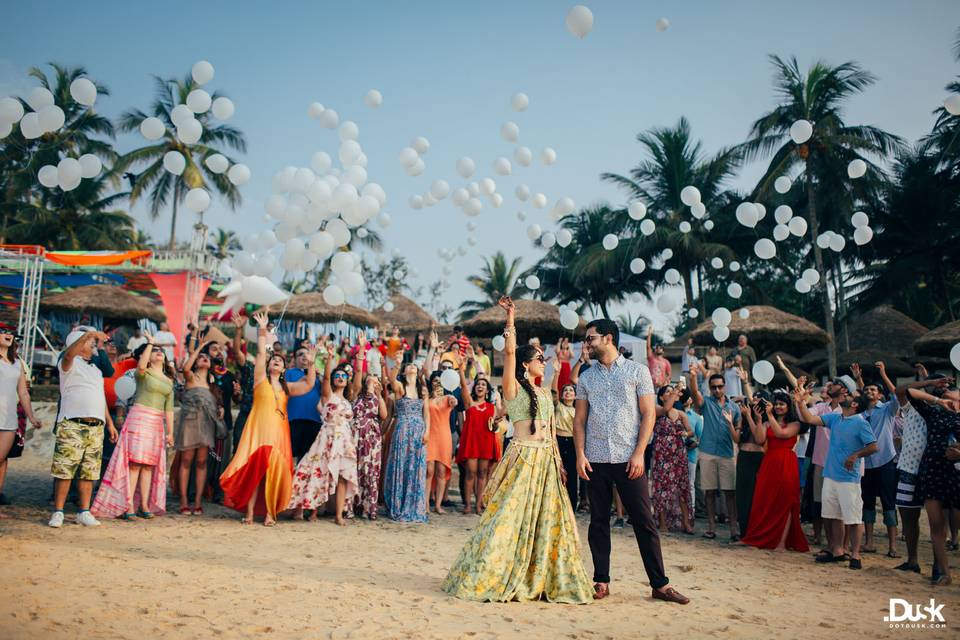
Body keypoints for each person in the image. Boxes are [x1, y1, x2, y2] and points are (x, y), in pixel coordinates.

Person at [442, 296, 593, 603]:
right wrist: (511, 319)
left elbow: (551, 431)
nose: (544, 361)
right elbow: (509, 351)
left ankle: (536, 576)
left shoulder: (545, 392)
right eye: (540, 358)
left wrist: (559, 463)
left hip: (547, 462)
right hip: (523, 458)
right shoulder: (514, 388)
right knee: (508, 517)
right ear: (526, 364)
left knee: (549, 520)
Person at [575, 318, 688, 604]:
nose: (586, 343)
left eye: (591, 338)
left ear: (608, 338)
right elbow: (579, 421)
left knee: (644, 521)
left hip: (629, 458)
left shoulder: (638, 371)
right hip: (595, 458)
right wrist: (579, 455)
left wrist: (639, 453)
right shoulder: (586, 377)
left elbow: (649, 414)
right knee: (598, 521)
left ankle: (660, 584)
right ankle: (601, 580)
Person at [219, 310, 316, 526]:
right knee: (255, 472)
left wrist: (311, 364)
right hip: (259, 431)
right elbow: (262, 354)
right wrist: (262, 330)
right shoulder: (260, 380)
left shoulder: (287, 387)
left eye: (280, 362)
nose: (277, 362)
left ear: (284, 369)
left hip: (278, 434)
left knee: (273, 471)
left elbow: (309, 385)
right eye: (274, 360)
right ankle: (251, 513)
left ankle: (271, 513)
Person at [93, 336, 175, 520]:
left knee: (148, 466)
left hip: (156, 423)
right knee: (135, 463)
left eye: (160, 350)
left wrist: (170, 432)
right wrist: (151, 343)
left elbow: (169, 409)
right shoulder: (142, 373)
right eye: (154, 351)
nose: (158, 352)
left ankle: (144, 506)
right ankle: (128, 506)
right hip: (139, 418)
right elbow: (140, 366)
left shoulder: (169, 381)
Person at [795, 389, 877, 570]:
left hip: (849, 478)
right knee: (833, 516)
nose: (844, 396)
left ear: (855, 404)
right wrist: (801, 402)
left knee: (854, 518)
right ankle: (837, 550)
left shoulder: (861, 423)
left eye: (849, 396)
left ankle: (855, 554)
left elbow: (873, 446)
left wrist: (855, 455)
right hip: (830, 474)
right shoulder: (835, 417)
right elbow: (809, 419)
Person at [49, 328, 118, 527]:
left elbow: (100, 396)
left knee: (90, 471)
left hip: (96, 425)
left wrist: (110, 423)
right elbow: (70, 353)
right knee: (65, 470)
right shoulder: (68, 363)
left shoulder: (95, 368)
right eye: (89, 343)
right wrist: (88, 334)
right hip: (72, 422)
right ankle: (59, 511)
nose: (92, 345)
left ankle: (84, 511)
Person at [288, 340, 356, 525]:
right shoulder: (327, 395)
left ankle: (339, 515)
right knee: (319, 471)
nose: (340, 377)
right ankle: (313, 512)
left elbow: (356, 384)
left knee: (342, 475)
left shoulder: (349, 400)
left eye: (344, 375)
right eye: (337, 375)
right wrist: (329, 359)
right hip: (327, 437)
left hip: (344, 440)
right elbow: (326, 378)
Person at [892, 371, 948, 573]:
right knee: (908, 515)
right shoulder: (913, 407)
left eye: (943, 385)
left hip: (934, 469)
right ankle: (912, 560)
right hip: (908, 467)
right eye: (937, 383)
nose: (941, 387)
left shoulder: (948, 409)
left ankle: (938, 563)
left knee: (937, 520)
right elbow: (901, 390)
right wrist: (930, 382)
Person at [905, 382, 960, 585]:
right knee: (936, 526)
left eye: (953, 394)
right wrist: (938, 400)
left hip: (956, 473)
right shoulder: (935, 414)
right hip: (933, 471)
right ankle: (944, 573)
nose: (950, 400)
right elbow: (910, 391)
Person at [741, 392, 809, 552]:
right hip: (769, 462)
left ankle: (781, 543)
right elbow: (759, 440)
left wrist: (769, 415)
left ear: (788, 406)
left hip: (786, 462)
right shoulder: (766, 422)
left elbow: (782, 433)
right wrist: (758, 419)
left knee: (786, 501)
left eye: (781, 404)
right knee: (764, 500)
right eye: (776, 404)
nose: (778, 407)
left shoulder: (796, 424)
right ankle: (757, 536)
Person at [688, 361, 744, 541]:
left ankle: (733, 529)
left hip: (727, 453)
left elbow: (738, 434)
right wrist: (694, 376)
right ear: (710, 388)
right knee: (709, 492)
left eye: (720, 386)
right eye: (714, 387)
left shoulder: (734, 408)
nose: (717, 390)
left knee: (730, 493)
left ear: (725, 386)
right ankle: (711, 528)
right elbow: (695, 394)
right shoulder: (707, 403)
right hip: (707, 452)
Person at [850, 362, 900, 558]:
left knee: (889, 504)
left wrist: (884, 374)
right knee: (867, 504)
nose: (870, 392)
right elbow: (862, 394)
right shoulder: (860, 413)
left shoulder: (888, 409)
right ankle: (869, 542)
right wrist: (858, 379)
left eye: (874, 390)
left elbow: (896, 394)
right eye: (867, 389)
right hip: (866, 464)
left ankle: (893, 546)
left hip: (886, 461)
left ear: (880, 395)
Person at [173, 340, 224, 515]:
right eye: (200, 357)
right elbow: (186, 368)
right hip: (189, 424)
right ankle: (184, 502)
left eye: (206, 358)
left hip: (206, 426)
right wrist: (199, 348)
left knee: (202, 462)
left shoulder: (212, 384)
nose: (204, 359)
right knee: (186, 461)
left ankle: (197, 502)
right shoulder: (191, 378)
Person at [383, 357, 431, 522]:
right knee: (401, 464)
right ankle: (397, 504)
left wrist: (427, 431)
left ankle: (414, 506)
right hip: (402, 429)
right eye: (408, 366)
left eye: (414, 366)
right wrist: (396, 364)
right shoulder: (400, 388)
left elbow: (427, 413)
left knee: (415, 467)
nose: (412, 367)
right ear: (404, 372)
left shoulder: (423, 390)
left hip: (418, 429)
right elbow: (391, 378)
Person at [455, 348, 501, 515]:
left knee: (482, 473)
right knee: (470, 473)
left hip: (486, 441)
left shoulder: (492, 407)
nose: (480, 386)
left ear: (487, 391)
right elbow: (463, 387)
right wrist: (462, 370)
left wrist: (496, 424)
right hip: (472, 442)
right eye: (478, 385)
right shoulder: (469, 404)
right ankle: (467, 504)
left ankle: (478, 505)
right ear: (474, 389)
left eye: (483, 385)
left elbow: (495, 427)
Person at [0, 328, 42, 504]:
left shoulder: (17, 363)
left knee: (1, 459)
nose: (8, 334)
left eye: (10, 331)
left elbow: (23, 392)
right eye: (2, 331)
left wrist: (31, 417)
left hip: (9, 419)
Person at [650, 385, 694, 533]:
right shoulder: (656, 410)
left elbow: (690, 431)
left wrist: (685, 434)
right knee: (661, 489)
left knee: (682, 488)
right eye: (667, 391)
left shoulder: (681, 413)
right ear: (662, 397)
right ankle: (662, 524)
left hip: (678, 454)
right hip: (661, 455)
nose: (671, 393)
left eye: (672, 391)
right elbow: (666, 408)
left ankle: (686, 523)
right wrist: (675, 391)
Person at [353, 354, 388, 519]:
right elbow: (359, 372)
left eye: (375, 380)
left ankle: (370, 508)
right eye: (370, 378)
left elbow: (384, 414)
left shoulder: (378, 397)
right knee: (356, 469)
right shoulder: (356, 395)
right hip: (356, 435)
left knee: (371, 471)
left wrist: (379, 395)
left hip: (372, 436)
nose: (372, 381)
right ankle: (355, 506)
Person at [427, 349, 457, 514]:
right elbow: (426, 370)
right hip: (430, 435)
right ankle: (425, 504)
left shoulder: (448, 399)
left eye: (440, 381)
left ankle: (438, 505)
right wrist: (432, 350)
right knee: (429, 470)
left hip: (444, 437)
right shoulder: (428, 399)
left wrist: (453, 399)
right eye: (435, 381)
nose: (437, 383)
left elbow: (454, 402)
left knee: (440, 471)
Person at [285, 344, 324, 463]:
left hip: (314, 420)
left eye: (306, 353)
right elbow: (285, 390)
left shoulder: (317, 376)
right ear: (295, 359)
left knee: (307, 458)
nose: (304, 356)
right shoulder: (289, 372)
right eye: (300, 354)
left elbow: (326, 392)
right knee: (290, 454)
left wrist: (320, 376)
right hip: (294, 419)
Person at [736, 394, 767, 539]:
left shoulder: (766, 420)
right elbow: (737, 439)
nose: (754, 400)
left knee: (756, 495)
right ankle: (744, 531)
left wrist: (751, 416)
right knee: (743, 496)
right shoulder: (744, 417)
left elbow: (759, 439)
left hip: (759, 458)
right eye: (753, 398)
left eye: (758, 398)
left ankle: (755, 532)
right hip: (743, 456)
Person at [552, 365, 579, 511]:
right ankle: (556, 508)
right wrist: (556, 373)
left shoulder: (578, 410)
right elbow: (553, 392)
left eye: (571, 390)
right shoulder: (558, 407)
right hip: (558, 442)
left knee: (572, 477)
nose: (568, 392)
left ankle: (571, 509)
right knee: (557, 475)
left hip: (573, 444)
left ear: (575, 395)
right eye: (566, 390)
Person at [682, 389, 703, 518]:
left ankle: (691, 512)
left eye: (689, 397)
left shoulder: (696, 417)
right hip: (675, 455)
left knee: (690, 484)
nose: (688, 399)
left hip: (691, 455)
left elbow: (701, 438)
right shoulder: (673, 413)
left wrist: (693, 444)